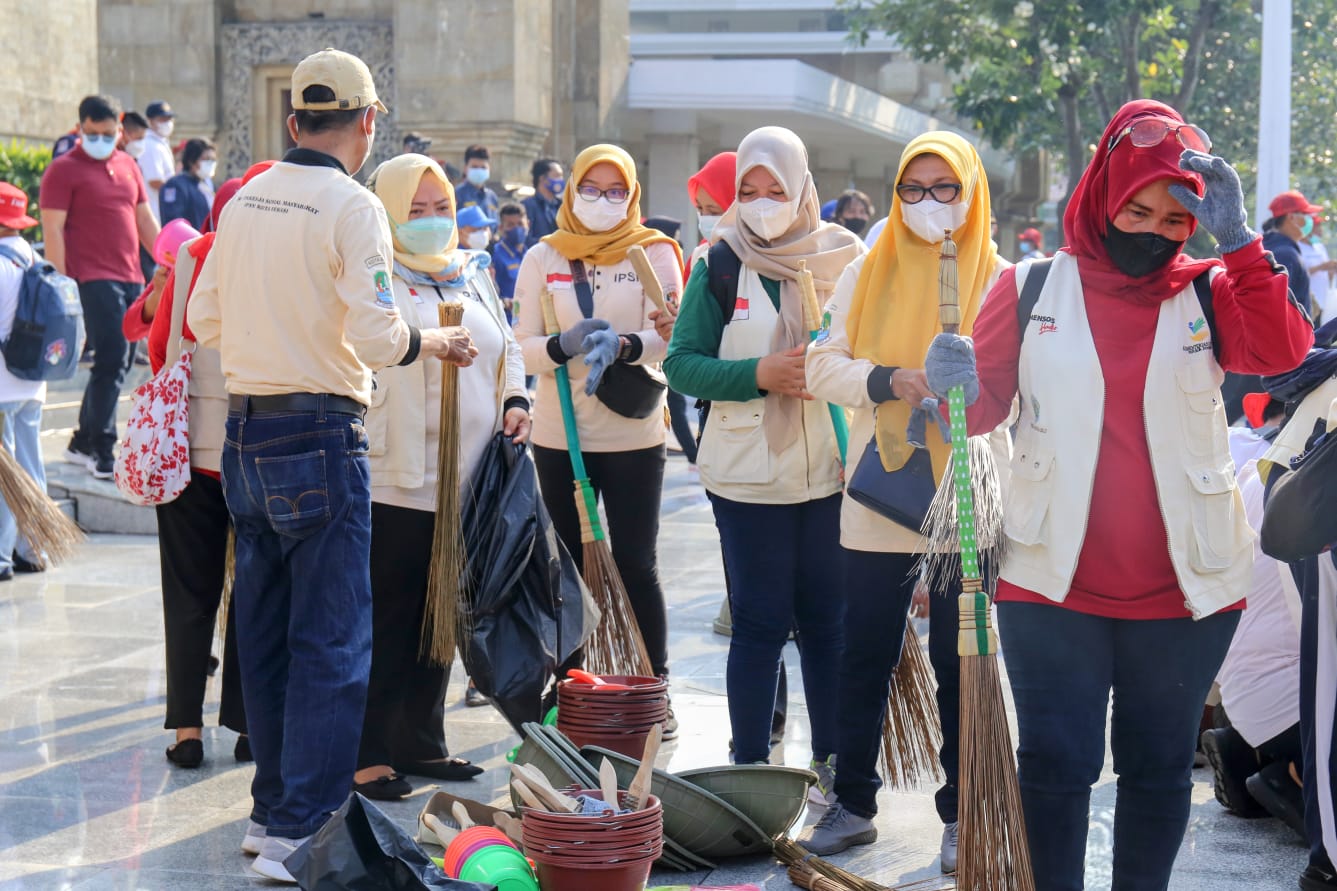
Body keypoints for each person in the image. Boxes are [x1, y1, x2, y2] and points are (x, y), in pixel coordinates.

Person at [925, 99, 1312, 891]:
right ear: (1101, 193)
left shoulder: (1208, 290)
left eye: (1174, 219)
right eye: (1136, 207)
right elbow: (983, 410)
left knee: (1159, 769)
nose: (1151, 230)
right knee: (1054, 768)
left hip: (1184, 589)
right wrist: (948, 387)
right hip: (1047, 580)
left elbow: (1281, 352)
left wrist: (1238, 244)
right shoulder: (1030, 288)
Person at [186, 48, 473, 884]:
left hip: (244, 434)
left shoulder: (244, 200)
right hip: (320, 432)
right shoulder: (350, 206)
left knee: (265, 632)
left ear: (291, 120)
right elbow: (380, 337)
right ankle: (302, 827)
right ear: (368, 120)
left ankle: (271, 811)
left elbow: (204, 318)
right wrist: (437, 339)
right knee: (332, 642)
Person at [801, 132, 1007, 870]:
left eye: (943, 188)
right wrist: (892, 379)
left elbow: (1024, 393)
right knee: (864, 653)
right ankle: (852, 802)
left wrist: (974, 388)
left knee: (963, 661)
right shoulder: (867, 268)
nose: (927, 203)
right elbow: (821, 364)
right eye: (912, 189)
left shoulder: (1003, 276)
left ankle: (962, 812)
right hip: (881, 489)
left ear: (970, 192)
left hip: (967, 493)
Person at [663, 126, 865, 772]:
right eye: (747, 189)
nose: (758, 201)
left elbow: (874, 350)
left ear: (802, 187)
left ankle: (834, 763)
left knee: (827, 628)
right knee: (757, 624)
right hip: (747, 480)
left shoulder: (845, 259)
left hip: (832, 475)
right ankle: (749, 766)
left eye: (773, 188)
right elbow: (681, 365)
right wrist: (758, 374)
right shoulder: (720, 262)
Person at [356, 152, 529, 798]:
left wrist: (516, 400)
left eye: (441, 210)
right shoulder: (375, 276)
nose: (431, 223)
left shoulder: (471, 272)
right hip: (397, 477)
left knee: (442, 618)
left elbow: (508, 347)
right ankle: (368, 748)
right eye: (415, 211)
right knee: (391, 615)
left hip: (469, 479)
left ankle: (420, 740)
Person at [515, 143, 683, 728]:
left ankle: (653, 689)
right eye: (591, 190)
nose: (603, 202)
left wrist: (629, 344)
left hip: (634, 434)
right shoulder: (545, 255)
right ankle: (573, 689)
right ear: (571, 192)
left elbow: (673, 332)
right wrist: (562, 346)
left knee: (635, 562)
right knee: (565, 568)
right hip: (561, 436)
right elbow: (523, 347)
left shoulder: (654, 252)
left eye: (616, 191)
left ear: (632, 195)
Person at [121, 168, 268, 771]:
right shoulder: (282, 261)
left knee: (188, 593)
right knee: (254, 595)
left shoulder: (192, 255)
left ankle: (186, 728)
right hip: (264, 449)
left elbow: (160, 351)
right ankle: (247, 727)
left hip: (192, 450)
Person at [40, 93, 160, 480]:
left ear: (119, 129)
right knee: (110, 357)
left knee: (122, 360)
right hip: (90, 278)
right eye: (94, 134)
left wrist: (167, 258)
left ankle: (82, 440)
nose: (102, 140)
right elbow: (53, 229)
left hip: (130, 276)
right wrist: (62, 285)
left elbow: (143, 218)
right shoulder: (62, 170)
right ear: (81, 129)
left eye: (109, 133)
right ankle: (103, 449)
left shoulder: (128, 164)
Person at [1200, 455, 1303, 835]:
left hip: (1233, 683)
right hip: (1298, 703)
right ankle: (1294, 777)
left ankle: (1246, 753)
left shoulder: (1259, 468)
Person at [0, 183, 51, 580]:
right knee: (29, 468)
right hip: (33, 384)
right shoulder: (35, 259)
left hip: (1, 386)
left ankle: (0, 558)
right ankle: (33, 550)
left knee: (4, 474)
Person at [158, 138, 217, 232]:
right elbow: (174, 223)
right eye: (206, 159)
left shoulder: (206, 185)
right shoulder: (175, 186)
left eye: (213, 160)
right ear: (191, 161)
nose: (210, 163)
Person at [139, 100, 177, 222]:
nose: (167, 123)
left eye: (169, 119)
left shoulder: (160, 143)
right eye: (162, 119)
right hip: (155, 210)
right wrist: (179, 191)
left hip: (162, 208)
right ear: (150, 121)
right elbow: (154, 181)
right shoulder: (150, 145)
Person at [491, 201, 528, 319]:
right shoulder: (495, 256)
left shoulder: (531, 254)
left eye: (520, 224)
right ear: (501, 228)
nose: (516, 229)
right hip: (508, 322)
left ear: (528, 224)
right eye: (511, 225)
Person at [1301, 216, 1337, 322]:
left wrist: (1332, 269)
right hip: (1306, 303)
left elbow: (1327, 273)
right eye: (1317, 226)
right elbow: (1298, 273)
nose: (1321, 229)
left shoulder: (1319, 247)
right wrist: (1321, 267)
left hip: (1322, 301)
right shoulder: (1297, 246)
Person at [521, 158, 564, 247]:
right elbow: (525, 239)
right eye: (556, 176)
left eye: (561, 176)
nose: (561, 180)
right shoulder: (528, 206)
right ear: (543, 179)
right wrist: (552, 243)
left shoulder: (563, 206)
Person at [454, 144, 500, 220]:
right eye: (474, 167)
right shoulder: (457, 194)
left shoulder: (492, 197)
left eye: (483, 167)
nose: (479, 171)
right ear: (465, 168)